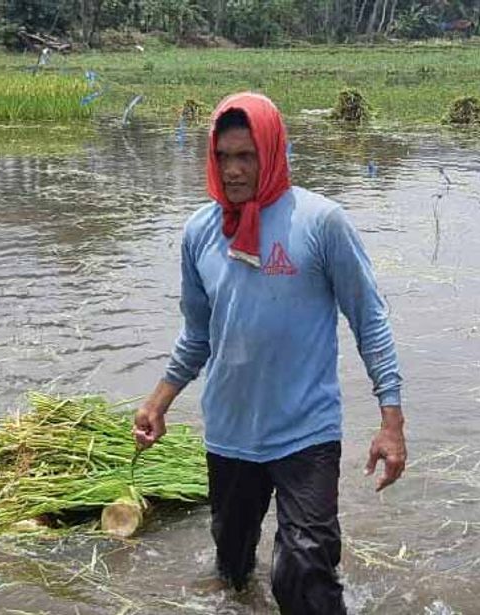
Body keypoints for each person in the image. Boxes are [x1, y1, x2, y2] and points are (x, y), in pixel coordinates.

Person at [132, 92, 406, 613]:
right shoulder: (200, 232)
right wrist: (159, 401)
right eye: (222, 157)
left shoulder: (322, 223)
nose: (232, 171)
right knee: (233, 570)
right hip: (231, 434)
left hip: (307, 432)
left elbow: (370, 322)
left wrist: (391, 422)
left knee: (305, 573)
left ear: (273, 151)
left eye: (246, 156)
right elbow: (198, 333)